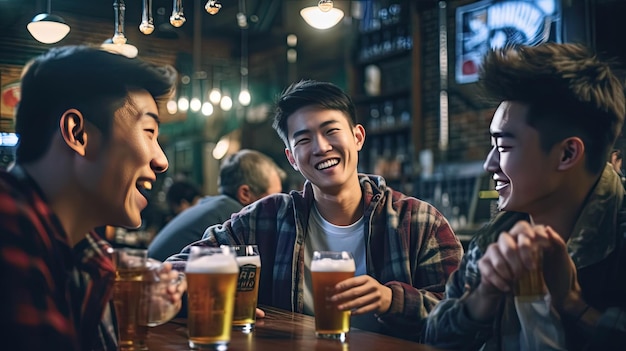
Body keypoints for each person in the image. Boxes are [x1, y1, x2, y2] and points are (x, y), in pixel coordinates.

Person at [166, 79, 463, 340]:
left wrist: (392, 299)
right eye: (304, 139)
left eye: (331, 131)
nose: (320, 147)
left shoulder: (420, 222)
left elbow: (464, 314)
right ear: (292, 158)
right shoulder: (267, 218)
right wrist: (214, 298)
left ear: (358, 137)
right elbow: (180, 267)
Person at [423, 43, 626, 350]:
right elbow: (432, 339)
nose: (489, 163)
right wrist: (482, 299)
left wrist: (572, 303)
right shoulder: (494, 239)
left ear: (567, 153)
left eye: (503, 147)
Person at [0, 45, 185, 351]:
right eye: (149, 131)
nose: (162, 160)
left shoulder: (70, 251)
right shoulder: (9, 228)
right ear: (79, 133)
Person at [148, 149, 286, 262]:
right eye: (274, 197)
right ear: (245, 193)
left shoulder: (213, 206)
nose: (279, 205)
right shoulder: (235, 219)